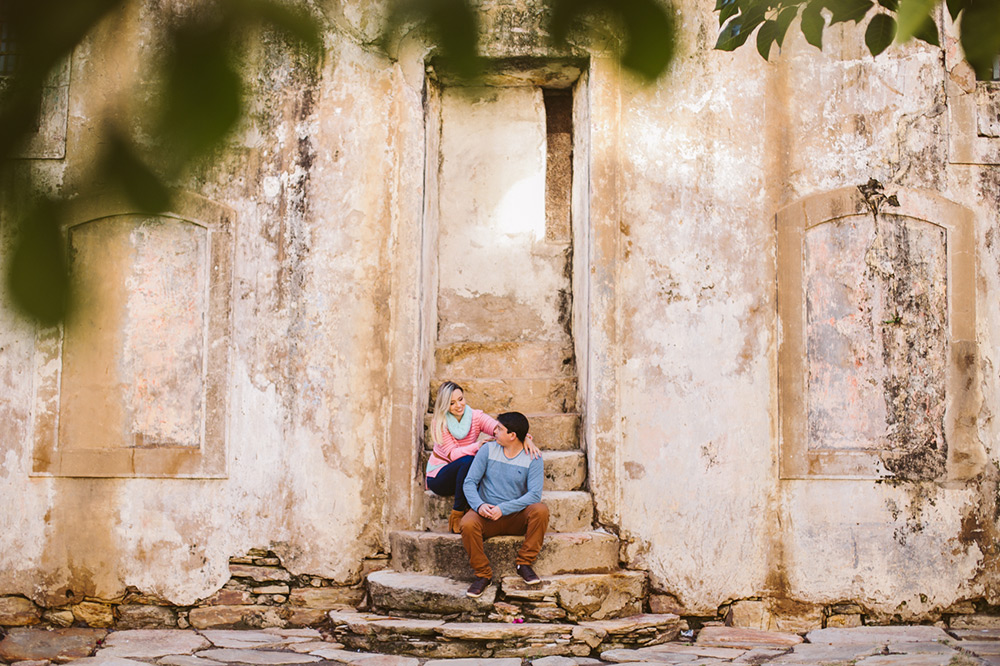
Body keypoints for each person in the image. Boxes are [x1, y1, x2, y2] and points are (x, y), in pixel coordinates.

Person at [425, 382, 539, 533]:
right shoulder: (439, 422)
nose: (459, 405)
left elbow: (499, 429)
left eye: (461, 399)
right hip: (440, 476)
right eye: (452, 403)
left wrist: (525, 438)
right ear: (444, 405)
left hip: (463, 473)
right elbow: (453, 455)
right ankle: (457, 513)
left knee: (475, 464)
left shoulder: (475, 417)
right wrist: (477, 446)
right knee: (470, 460)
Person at [460, 411, 549, 598]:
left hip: (515, 516)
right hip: (486, 514)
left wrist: (503, 509)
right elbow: (469, 482)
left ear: (512, 435)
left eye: (499, 429)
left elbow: (534, 495)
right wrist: (479, 505)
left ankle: (523, 564)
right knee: (467, 524)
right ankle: (483, 575)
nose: (494, 432)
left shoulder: (533, 457)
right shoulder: (488, 450)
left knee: (540, 511)